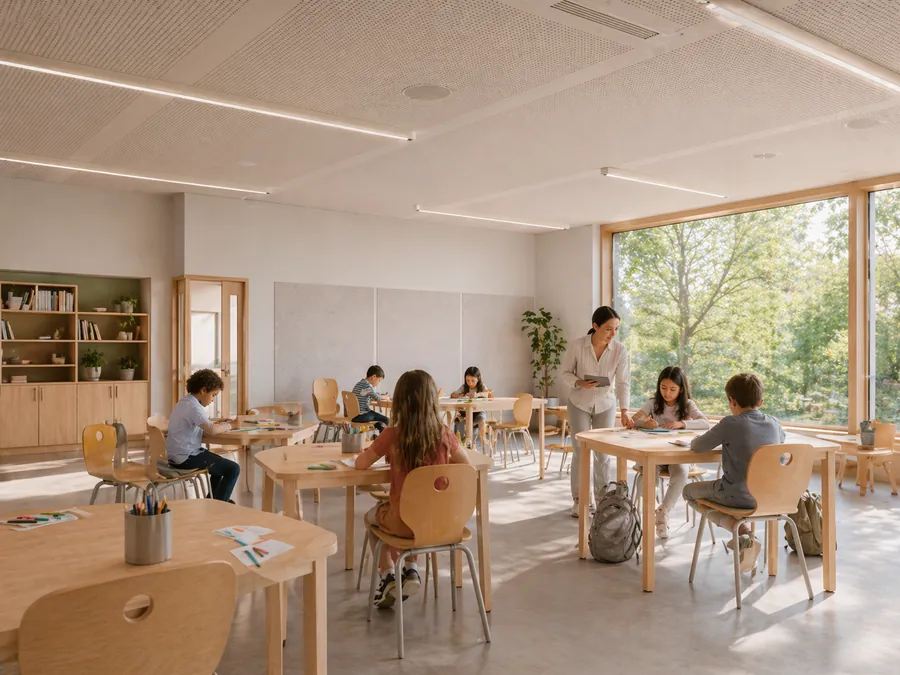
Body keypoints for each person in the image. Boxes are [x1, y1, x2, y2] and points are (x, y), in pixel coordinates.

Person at [355, 369, 472, 608]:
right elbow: (466, 467)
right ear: (432, 401)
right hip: (441, 523)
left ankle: (388, 575)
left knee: (371, 521)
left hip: (401, 522)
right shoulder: (443, 433)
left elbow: (361, 464)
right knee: (420, 513)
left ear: (399, 402)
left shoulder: (392, 435)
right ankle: (411, 570)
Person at [683, 372, 785, 572]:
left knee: (688, 491)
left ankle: (741, 531)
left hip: (736, 495)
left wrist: (696, 437)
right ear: (761, 402)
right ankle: (744, 534)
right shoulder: (775, 423)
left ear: (731, 400)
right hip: (770, 498)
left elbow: (698, 447)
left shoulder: (730, 423)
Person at [559, 306, 632, 517]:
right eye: (608, 328)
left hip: (605, 405)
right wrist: (579, 382)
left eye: (616, 329)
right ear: (595, 326)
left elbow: (623, 382)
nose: (612, 334)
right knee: (581, 451)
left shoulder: (620, 350)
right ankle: (579, 500)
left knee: (603, 454)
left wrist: (625, 410)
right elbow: (564, 373)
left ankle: (602, 500)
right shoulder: (577, 346)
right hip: (579, 402)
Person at [628, 366, 709, 538]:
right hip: (654, 454)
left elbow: (705, 423)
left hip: (677, 455)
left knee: (681, 471)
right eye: (663, 388)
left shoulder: (688, 405)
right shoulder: (652, 403)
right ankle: (652, 508)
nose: (667, 393)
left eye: (673, 389)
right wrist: (644, 423)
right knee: (647, 475)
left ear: (681, 390)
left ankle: (663, 512)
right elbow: (633, 421)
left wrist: (682, 424)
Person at [166, 369, 240, 502]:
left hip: (176, 455)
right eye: (213, 395)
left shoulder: (185, 402)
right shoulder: (194, 407)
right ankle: (220, 506)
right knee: (233, 469)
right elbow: (211, 430)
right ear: (203, 390)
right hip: (186, 457)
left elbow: (202, 424)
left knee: (219, 466)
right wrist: (232, 425)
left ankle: (213, 502)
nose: (213, 400)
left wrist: (218, 423)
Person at [450, 366, 493, 437]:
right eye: (468, 380)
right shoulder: (464, 387)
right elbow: (452, 394)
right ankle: (463, 442)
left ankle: (483, 442)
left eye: (473, 380)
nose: (470, 383)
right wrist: (460, 396)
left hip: (479, 412)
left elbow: (486, 394)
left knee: (482, 420)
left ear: (478, 379)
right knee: (458, 421)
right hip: (465, 412)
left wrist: (476, 395)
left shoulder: (482, 386)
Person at [352, 365, 389, 431]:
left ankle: (378, 437)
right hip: (362, 416)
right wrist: (386, 397)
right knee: (385, 419)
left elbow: (363, 394)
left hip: (353, 415)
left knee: (378, 422)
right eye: (379, 380)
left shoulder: (360, 384)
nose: (378, 383)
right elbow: (377, 398)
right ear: (374, 377)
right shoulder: (367, 386)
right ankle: (382, 439)